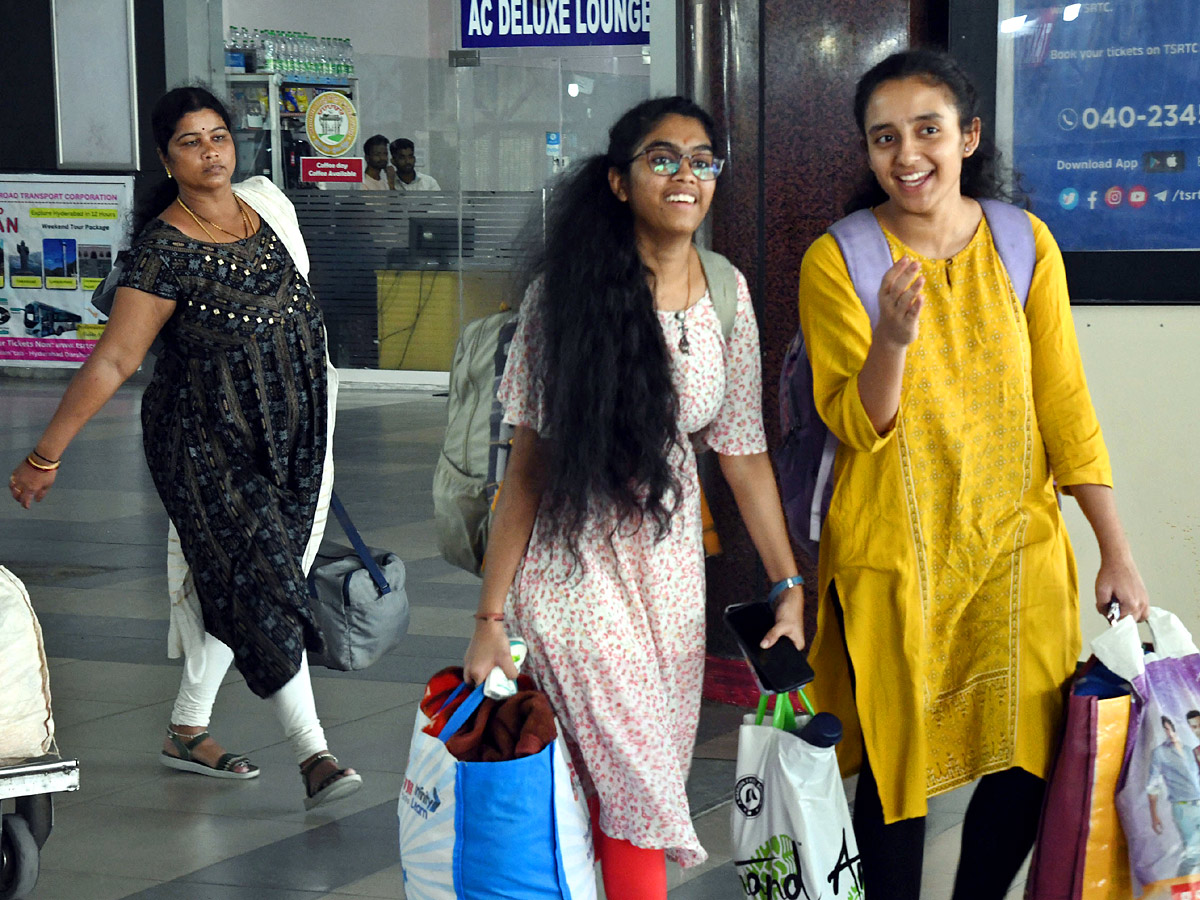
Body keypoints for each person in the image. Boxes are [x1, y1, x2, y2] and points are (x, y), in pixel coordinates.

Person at [796, 48, 1150, 898]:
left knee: (1032, 755)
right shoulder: (837, 258)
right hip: (893, 554)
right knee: (895, 770)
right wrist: (891, 339)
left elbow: (1065, 404)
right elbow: (857, 422)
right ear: (868, 151)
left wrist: (1116, 548)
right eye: (885, 137)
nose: (907, 153)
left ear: (969, 136)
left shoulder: (1024, 243)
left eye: (928, 129)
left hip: (1013, 552)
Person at [462, 96, 805, 899]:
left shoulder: (726, 290)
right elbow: (529, 470)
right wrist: (489, 621)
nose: (686, 175)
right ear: (620, 181)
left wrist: (789, 584)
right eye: (663, 158)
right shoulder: (565, 297)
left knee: (622, 782)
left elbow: (744, 454)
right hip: (573, 566)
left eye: (703, 160)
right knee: (640, 781)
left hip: (672, 570)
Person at [7, 86, 361, 811]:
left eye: (218, 136)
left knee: (238, 584)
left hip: (292, 446)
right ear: (167, 160)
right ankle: (314, 754)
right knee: (264, 584)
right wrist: (46, 454)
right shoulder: (163, 250)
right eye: (191, 142)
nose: (210, 151)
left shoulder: (266, 215)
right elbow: (113, 361)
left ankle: (186, 729)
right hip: (206, 445)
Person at [1148, 715, 1200, 874]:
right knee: (1193, 854)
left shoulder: (1189, 750)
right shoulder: (1160, 753)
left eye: (1170, 729)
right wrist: (1154, 814)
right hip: (1183, 808)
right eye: (1165, 730)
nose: (1169, 733)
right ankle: (1181, 890)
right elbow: (1153, 785)